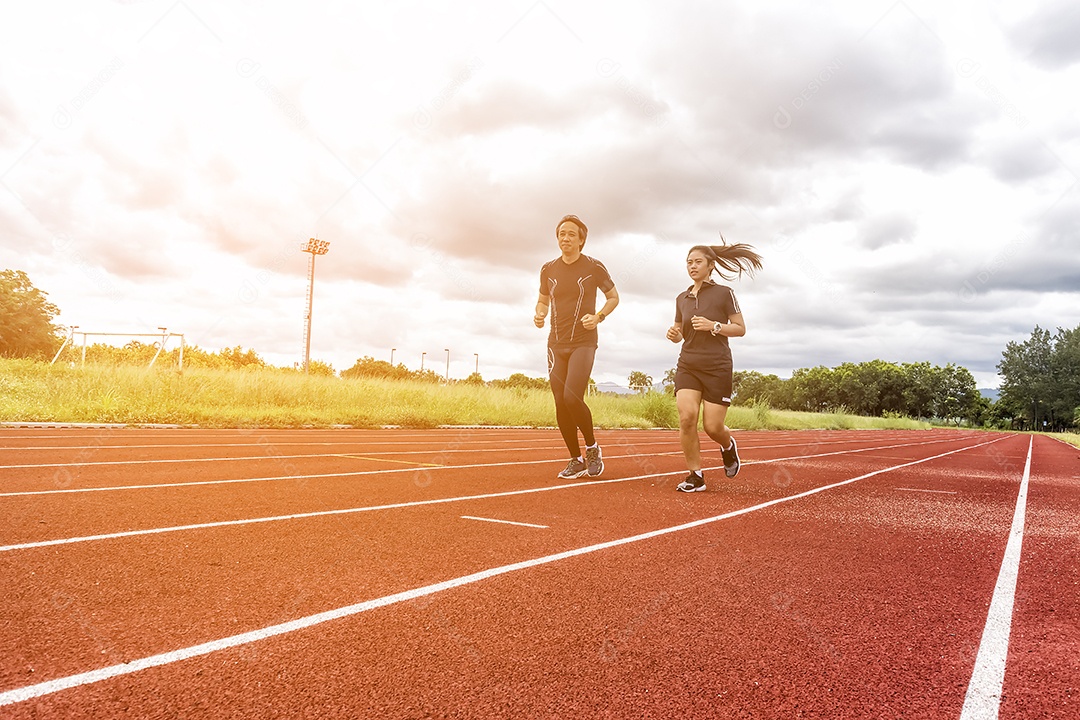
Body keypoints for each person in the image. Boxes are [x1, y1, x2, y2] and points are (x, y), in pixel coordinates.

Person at [666, 239, 762, 492]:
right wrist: (675, 334)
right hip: (688, 364)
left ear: (711, 265)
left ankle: (728, 446)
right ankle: (695, 475)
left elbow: (740, 329)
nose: (692, 266)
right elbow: (680, 330)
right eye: (689, 262)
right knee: (687, 418)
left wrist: (714, 326)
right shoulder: (682, 298)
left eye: (698, 262)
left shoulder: (724, 293)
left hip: (717, 366)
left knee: (712, 427)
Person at [534, 214, 620, 479]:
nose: (566, 238)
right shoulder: (548, 269)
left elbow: (613, 297)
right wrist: (539, 314)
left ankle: (592, 447)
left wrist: (598, 317)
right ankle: (575, 459)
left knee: (573, 397)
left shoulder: (593, 267)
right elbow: (543, 301)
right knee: (560, 402)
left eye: (572, 234)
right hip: (555, 343)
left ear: (581, 240)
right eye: (562, 233)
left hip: (583, 341)